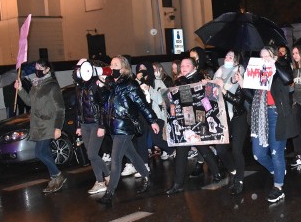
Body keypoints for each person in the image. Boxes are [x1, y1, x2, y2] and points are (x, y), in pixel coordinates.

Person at [98, 55, 160, 206]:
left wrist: (152, 121)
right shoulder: (111, 84)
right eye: (111, 64)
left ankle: (110, 193)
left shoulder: (130, 84)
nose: (112, 67)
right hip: (113, 127)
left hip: (125, 127)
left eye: (115, 64)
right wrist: (101, 85)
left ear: (124, 68)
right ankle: (146, 176)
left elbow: (142, 104)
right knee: (131, 154)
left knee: (116, 159)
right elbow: (101, 102)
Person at [241, 45, 298, 203]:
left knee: (276, 153)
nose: (264, 59)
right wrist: (242, 83)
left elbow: (288, 79)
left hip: (277, 115)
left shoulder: (280, 69)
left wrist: (274, 66)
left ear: (274, 57)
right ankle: (277, 170)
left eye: (267, 56)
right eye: (262, 56)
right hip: (261, 115)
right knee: (258, 154)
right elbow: (251, 97)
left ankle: (278, 187)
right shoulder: (259, 73)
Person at [166, 57, 224, 195]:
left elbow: (211, 101)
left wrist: (207, 89)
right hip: (184, 120)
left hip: (199, 118)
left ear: (194, 67)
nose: (184, 67)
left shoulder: (201, 78)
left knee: (203, 148)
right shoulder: (179, 81)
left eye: (187, 65)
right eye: (182, 66)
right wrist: (171, 104)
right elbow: (173, 100)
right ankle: (178, 183)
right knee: (181, 152)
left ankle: (217, 173)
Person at [15, 59, 67, 194]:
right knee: (46, 152)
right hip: (37, 124)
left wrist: (58, 127)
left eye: (40, 67)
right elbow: (29, 102)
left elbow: (60, 108)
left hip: (48, 123)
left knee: (39, 152)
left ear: (47, 69)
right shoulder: (35, 84)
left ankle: (58, 175)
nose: (37, 69)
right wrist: (20, 89)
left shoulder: (52, 85)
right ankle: (54, 179)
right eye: (36, 66)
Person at [212, 50, 248, 195]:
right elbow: (211, 97)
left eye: (231, 56)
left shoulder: (239, 73)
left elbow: (239, 101)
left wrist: (224, 89)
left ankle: (239, 180)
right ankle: (233, 170)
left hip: (238, 116)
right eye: (226, 55)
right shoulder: (218, 72)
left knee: (236, 150)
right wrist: (210, 85)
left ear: (236, 61)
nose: (227, 57)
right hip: (222, 117)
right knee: (220, 150)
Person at [73, 62, 111, 195]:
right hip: (85, 125)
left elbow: (103, 107)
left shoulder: (96, 85)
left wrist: (102, 125)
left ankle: (101, 181)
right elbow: (78, 108)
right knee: (93, 156)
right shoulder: (78, 87)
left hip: (96, 124)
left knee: (92, 154)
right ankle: (106, 176)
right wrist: (78, 125)